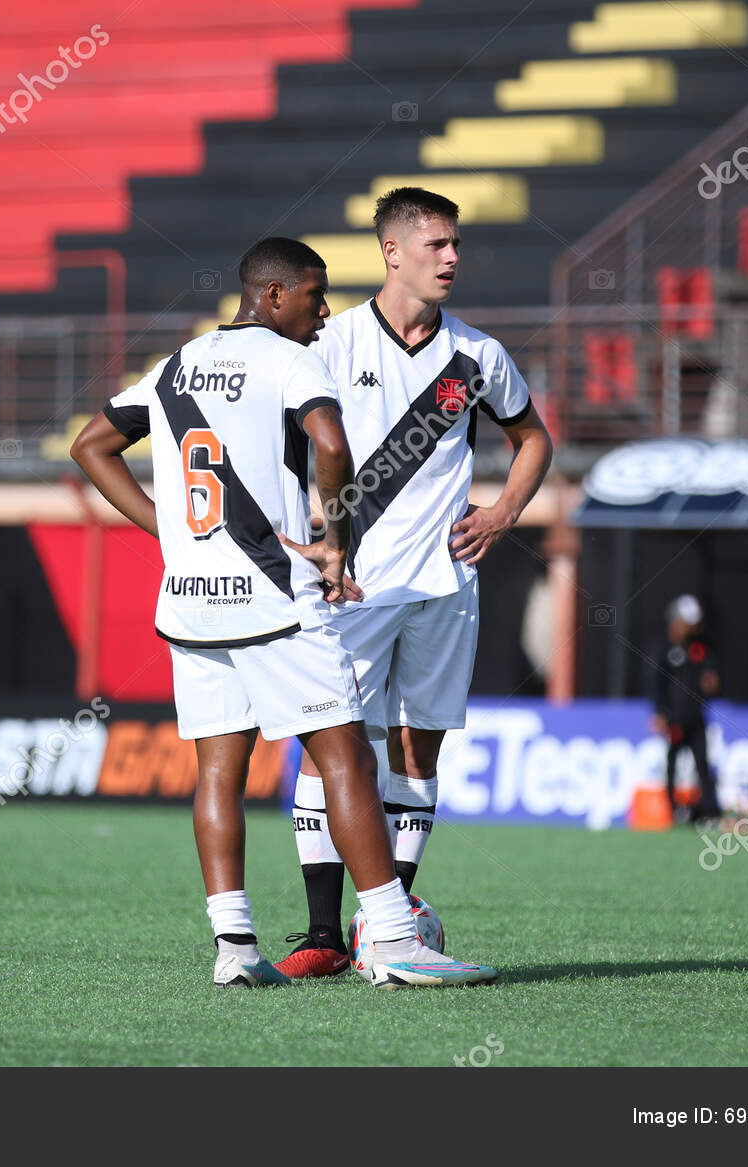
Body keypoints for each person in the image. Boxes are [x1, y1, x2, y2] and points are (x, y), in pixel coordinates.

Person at [71, 236, 496, 989]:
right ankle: (394, 938)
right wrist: (336, 537)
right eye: (312, 294)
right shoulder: (293, 359)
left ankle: (234, 948)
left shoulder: (177, 364)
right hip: (274, 596)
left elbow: (92, 444)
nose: (324, 310)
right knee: (346, 757)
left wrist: (168, 529)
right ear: (271, 297)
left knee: (218, 771)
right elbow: (329, 438)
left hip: (193, 601)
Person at [272, 188, 552, 979]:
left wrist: (501, 513)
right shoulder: (328, 345)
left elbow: (532, 438)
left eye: (456, 243)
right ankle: (322, 933)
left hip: (445, 585)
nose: (452, 257)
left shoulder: (478, 356)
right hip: (350, 588)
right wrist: (309, 541)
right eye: (436, 244)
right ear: (392, 252)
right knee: (331, 748)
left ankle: (384, 925)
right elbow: (284, 451)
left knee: (415, 750)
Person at [649, 594, 721, 824]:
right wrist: (660, 712)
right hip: (674, 719)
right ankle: (673, 811)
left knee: (702, 765)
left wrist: (711, 681)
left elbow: (710, 676)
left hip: (696, 717)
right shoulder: (665, 650)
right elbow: (656, 684)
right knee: (672, 764)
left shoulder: (700, 649)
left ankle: (709, 811)